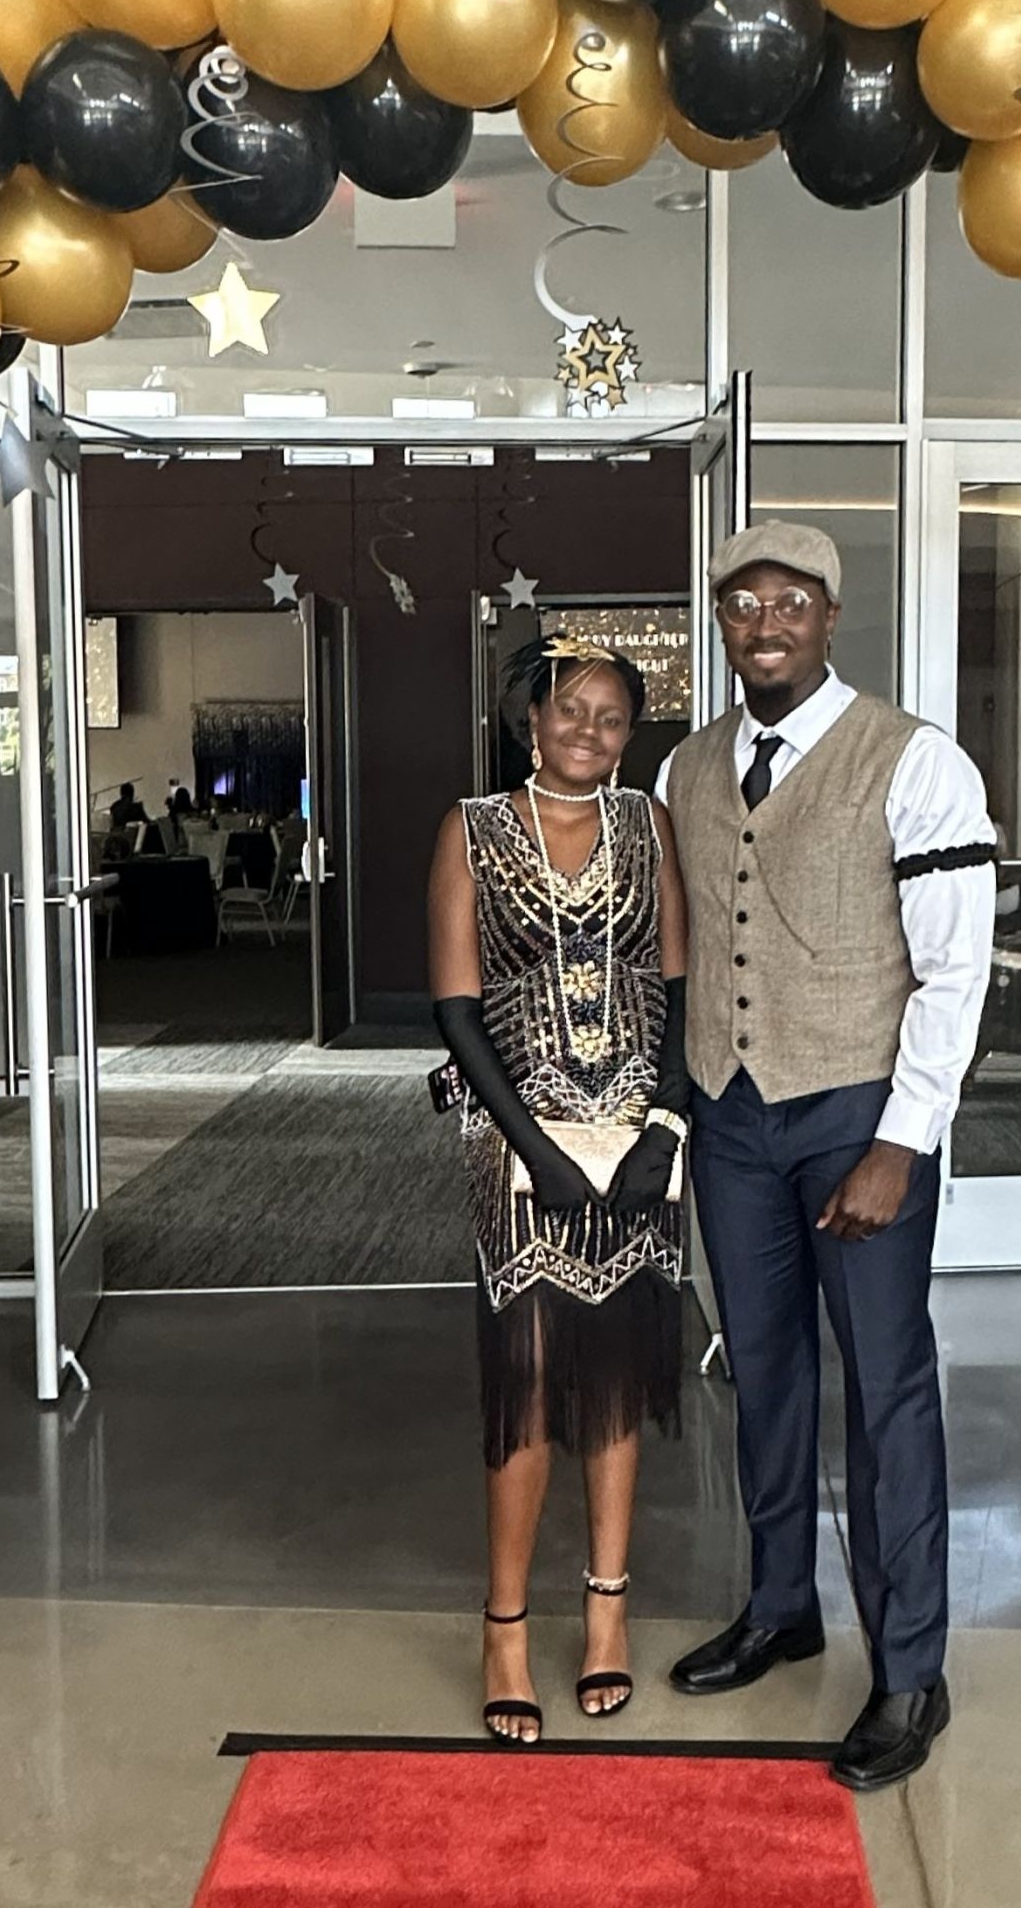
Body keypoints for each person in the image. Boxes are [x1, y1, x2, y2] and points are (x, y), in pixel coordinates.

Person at [657, 520, 995, 1794]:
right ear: (725, 622)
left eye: (788, 600)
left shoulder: (913, 760)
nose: (764, 623)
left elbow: (956, 970)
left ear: (828, 615)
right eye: (742, 603)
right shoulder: (688, 765)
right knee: (763, 1373)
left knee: (889, 1385)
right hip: (732, 1113)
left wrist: (903, 1140)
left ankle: (911, 1666)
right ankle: (780, 1603)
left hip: (858, 1112)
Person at [428, 634, 692, 1747]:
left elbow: (679, 984)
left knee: (617, 1381)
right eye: (569, 709)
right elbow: (454, 1002)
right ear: (528, 719)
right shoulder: (473, 828)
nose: (588, 728)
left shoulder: (649, 824)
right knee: (532, 1382)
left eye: (612, 715)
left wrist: (665, 1124)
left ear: (631, 735)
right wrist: (531, 1144)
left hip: (637, 1130)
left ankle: (606, 1617)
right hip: (516, 1132)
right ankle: (501, 1628)